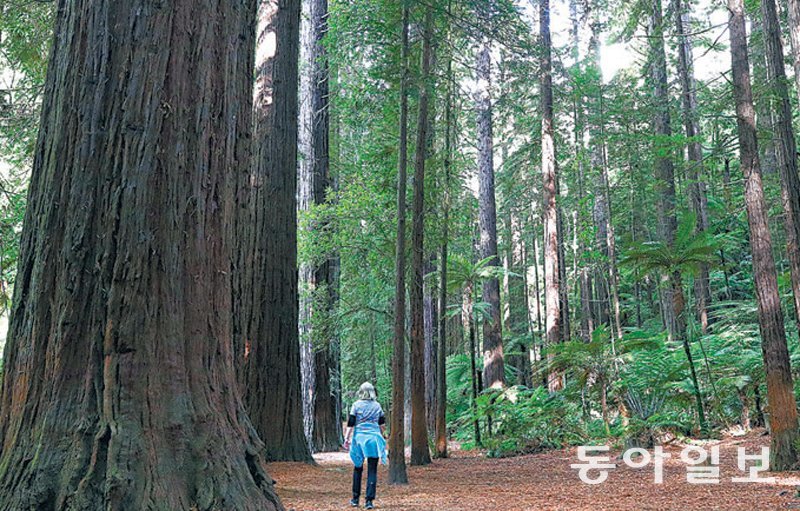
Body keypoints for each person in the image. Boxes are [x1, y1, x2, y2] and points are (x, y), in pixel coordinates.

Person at [343, 382, 387, 509]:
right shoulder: (377, 406)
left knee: (358, 468)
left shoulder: (356, 405)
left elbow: (351, 423)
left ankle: (355, 499)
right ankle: (369, 501)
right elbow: (382, 424)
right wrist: (382, 435)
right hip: (373, 439)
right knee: (372, 469)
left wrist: (346, 438)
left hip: (359, 440)